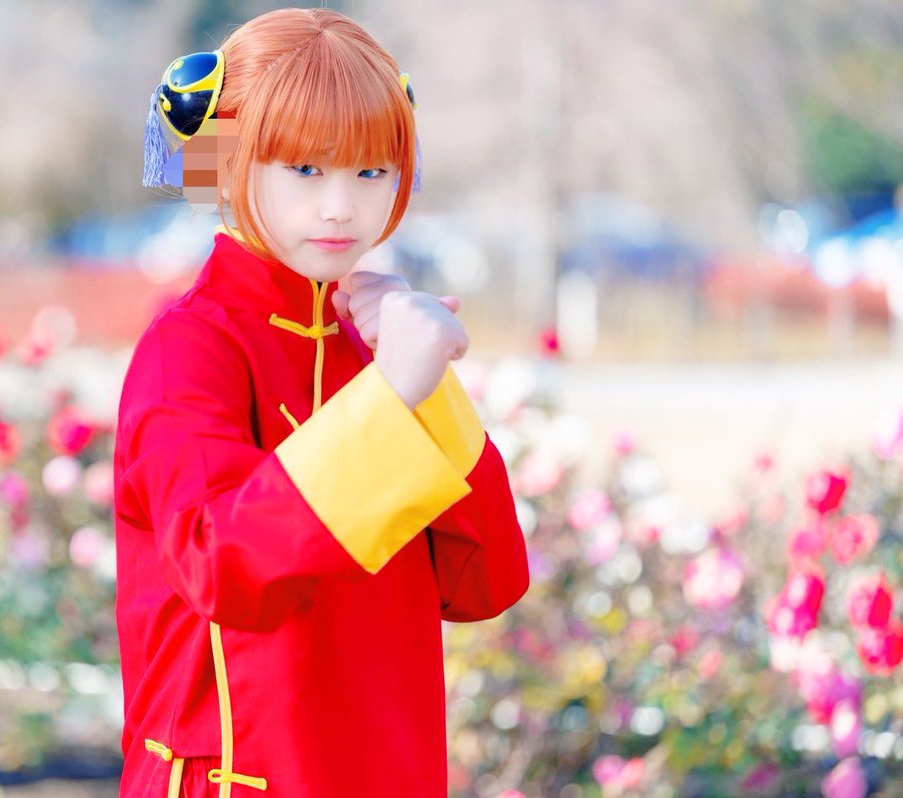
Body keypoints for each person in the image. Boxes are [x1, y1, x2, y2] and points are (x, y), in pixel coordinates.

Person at [113, 8, 530, 796]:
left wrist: (427, 388)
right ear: (228, 161)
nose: (342, 206)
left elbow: (488, 580)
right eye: (305, 168)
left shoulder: (375, 340)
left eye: (371, 171)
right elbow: (219, 564)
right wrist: (390, 394)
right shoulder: (188, 348)